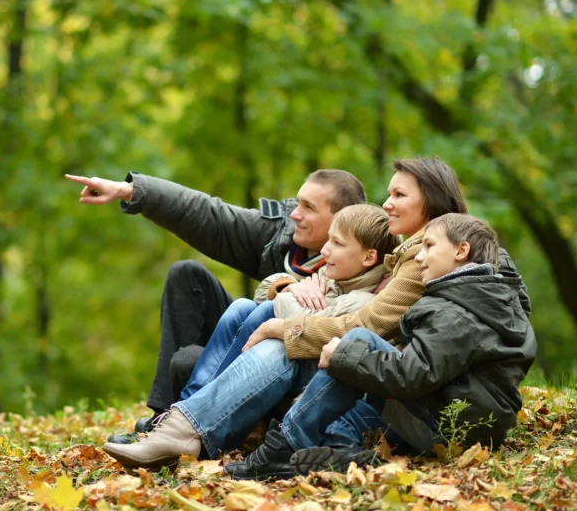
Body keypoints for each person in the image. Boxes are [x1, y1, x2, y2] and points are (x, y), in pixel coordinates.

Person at [99, 157, 480, 471]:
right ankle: (178, 424)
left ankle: (187, 430)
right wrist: (283, 286)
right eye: (389, 193)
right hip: (359, 365)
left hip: (378, 383)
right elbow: (215, 217)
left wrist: (285, 327)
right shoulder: (401, 248)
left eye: (399, 195)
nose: (387, 203)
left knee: (274, 338)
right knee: (236, 306)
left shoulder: (420, 251)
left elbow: (367, 323)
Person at [64, 169, 367, 444]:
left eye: (309, 208)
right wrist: (131, 191)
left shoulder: (366, 258)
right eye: (298, 203)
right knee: (188, 277)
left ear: (342, 219)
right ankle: (164, 418)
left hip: (293, 373)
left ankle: (196, 423)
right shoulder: (280, 236)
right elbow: (210, 215)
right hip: (249, 347)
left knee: (195, 357)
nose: (295, 214)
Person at [282, 213, 537, 478]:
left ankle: (285, 445)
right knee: (349, 402)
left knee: (359, 341)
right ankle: (343, 451)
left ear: (461, 250)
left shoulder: (456, 312)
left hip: (451, 430)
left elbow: (412, 374)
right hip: (460, 421)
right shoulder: (478, 298)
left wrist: (343, 356)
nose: (418, 257)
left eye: (429, 246)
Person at [176, 204, 399, 403]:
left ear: (368, 258)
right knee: (242, 306)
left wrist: (285, 296)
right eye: (328, 239)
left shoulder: (363, 301)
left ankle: (195, 406)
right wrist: (287, 285)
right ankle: (190, 401)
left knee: (267, 311)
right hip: (283, 362)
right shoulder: (334, 278)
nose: (324, 250)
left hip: (303, 372)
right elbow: (260, 295)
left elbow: (304, 326)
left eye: (337, 243)